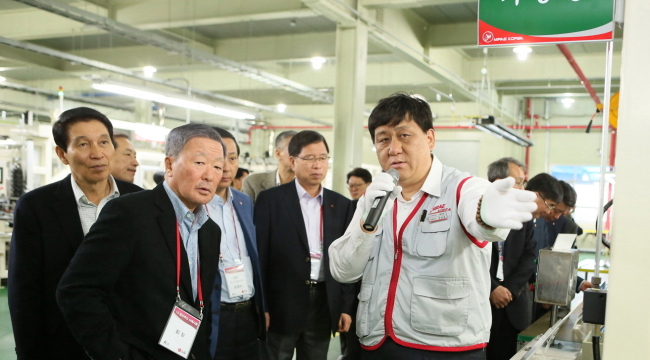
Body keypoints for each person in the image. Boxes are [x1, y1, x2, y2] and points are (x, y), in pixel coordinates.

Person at [329, 93, 537, 359]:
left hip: (445, 349)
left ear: (429, 138)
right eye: (383, 139)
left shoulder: (463, 188)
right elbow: (343, 270)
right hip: (377, 344)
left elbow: (481, 220)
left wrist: (486, 213)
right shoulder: (376, 198)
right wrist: (365, 224)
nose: (393, 148)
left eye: (404, 136)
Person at [56, 124, 225, 360]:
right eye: (199, 163)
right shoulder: (130, 212)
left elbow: (199, 305)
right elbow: (76, 291)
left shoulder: (210, 231)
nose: (209, 174)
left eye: (218, 166)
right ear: (169, 165)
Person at [7, 107, 142, 360]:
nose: (97, 153)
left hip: (128, 341)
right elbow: (24, 291)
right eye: (83, 144)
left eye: (104, 142)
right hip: (64, 342)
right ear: (62, 154)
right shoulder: (37, 207)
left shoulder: (138, 199)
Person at [255, 130, 356, 360]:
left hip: (324, 302)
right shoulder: (271, 200)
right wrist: (263, 306)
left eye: (322, 158)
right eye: (309, 158)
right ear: (293, 161)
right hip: (283, 302)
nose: (317, 165)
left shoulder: (340, 205)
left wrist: (344, 307)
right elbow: (260, 257)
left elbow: (347, 261)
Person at [208, 128, 266, 360]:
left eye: (232, 158)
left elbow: (254, 256)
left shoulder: (243, 202)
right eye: (217, 159)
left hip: (247, 312)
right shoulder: (194, 203)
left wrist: (262, 307)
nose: (225, 166)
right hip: (214, 313)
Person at [486, 158, 537, 360]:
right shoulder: (474, 211)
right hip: (482, 303)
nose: (522, 187)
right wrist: (492, 288)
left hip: (513, 304)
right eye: (518, 182)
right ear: (500, 181)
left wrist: (509, 289)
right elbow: (466, 256)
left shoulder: (523, 214)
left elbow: (530, 255)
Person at [242, 130, 296, 202]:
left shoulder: (311, 185)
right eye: (294, 149)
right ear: (278, 154)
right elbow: (246, 212)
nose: (300, 154)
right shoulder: (253, 183)